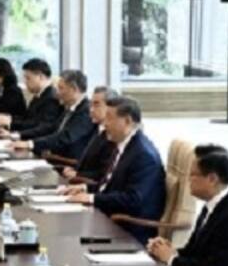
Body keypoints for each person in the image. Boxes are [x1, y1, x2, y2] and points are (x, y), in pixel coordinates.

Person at [62, 96, 165, 244]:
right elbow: (111, 185)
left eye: (109, 118)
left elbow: (132, 199)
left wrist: (92, 198)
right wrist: (85, 188)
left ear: (128, 121)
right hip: (110, 217)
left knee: (69, 238)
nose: (104, 124)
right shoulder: (123, 145)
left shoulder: (143, 155)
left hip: (128, 229)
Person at [13, 70, 95, 161]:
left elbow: (65, 137)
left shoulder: (86, 111)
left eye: (61, 88)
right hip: (52, 156)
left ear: (74, 89)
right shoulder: (69, 108)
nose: (57, 93)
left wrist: (30, 144)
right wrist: (21, 137)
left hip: (67, 164)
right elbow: (51, 128)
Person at [58, 86, 118, 185]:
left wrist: (78, 174)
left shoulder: (113, 136)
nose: (91, 110)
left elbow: (104, 173)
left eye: (96, 105)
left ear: (110, 107)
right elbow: (88, 163)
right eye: (91, 105)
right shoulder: (97, 129)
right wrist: (73, 169)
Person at [0, 59, 62, 139]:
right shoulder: (40, 94)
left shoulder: (51, 98)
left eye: (28, 78)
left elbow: (43, 127)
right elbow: (28, 118)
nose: (25, 82)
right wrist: (9, 118)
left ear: (41, 77)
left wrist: (12, 126)